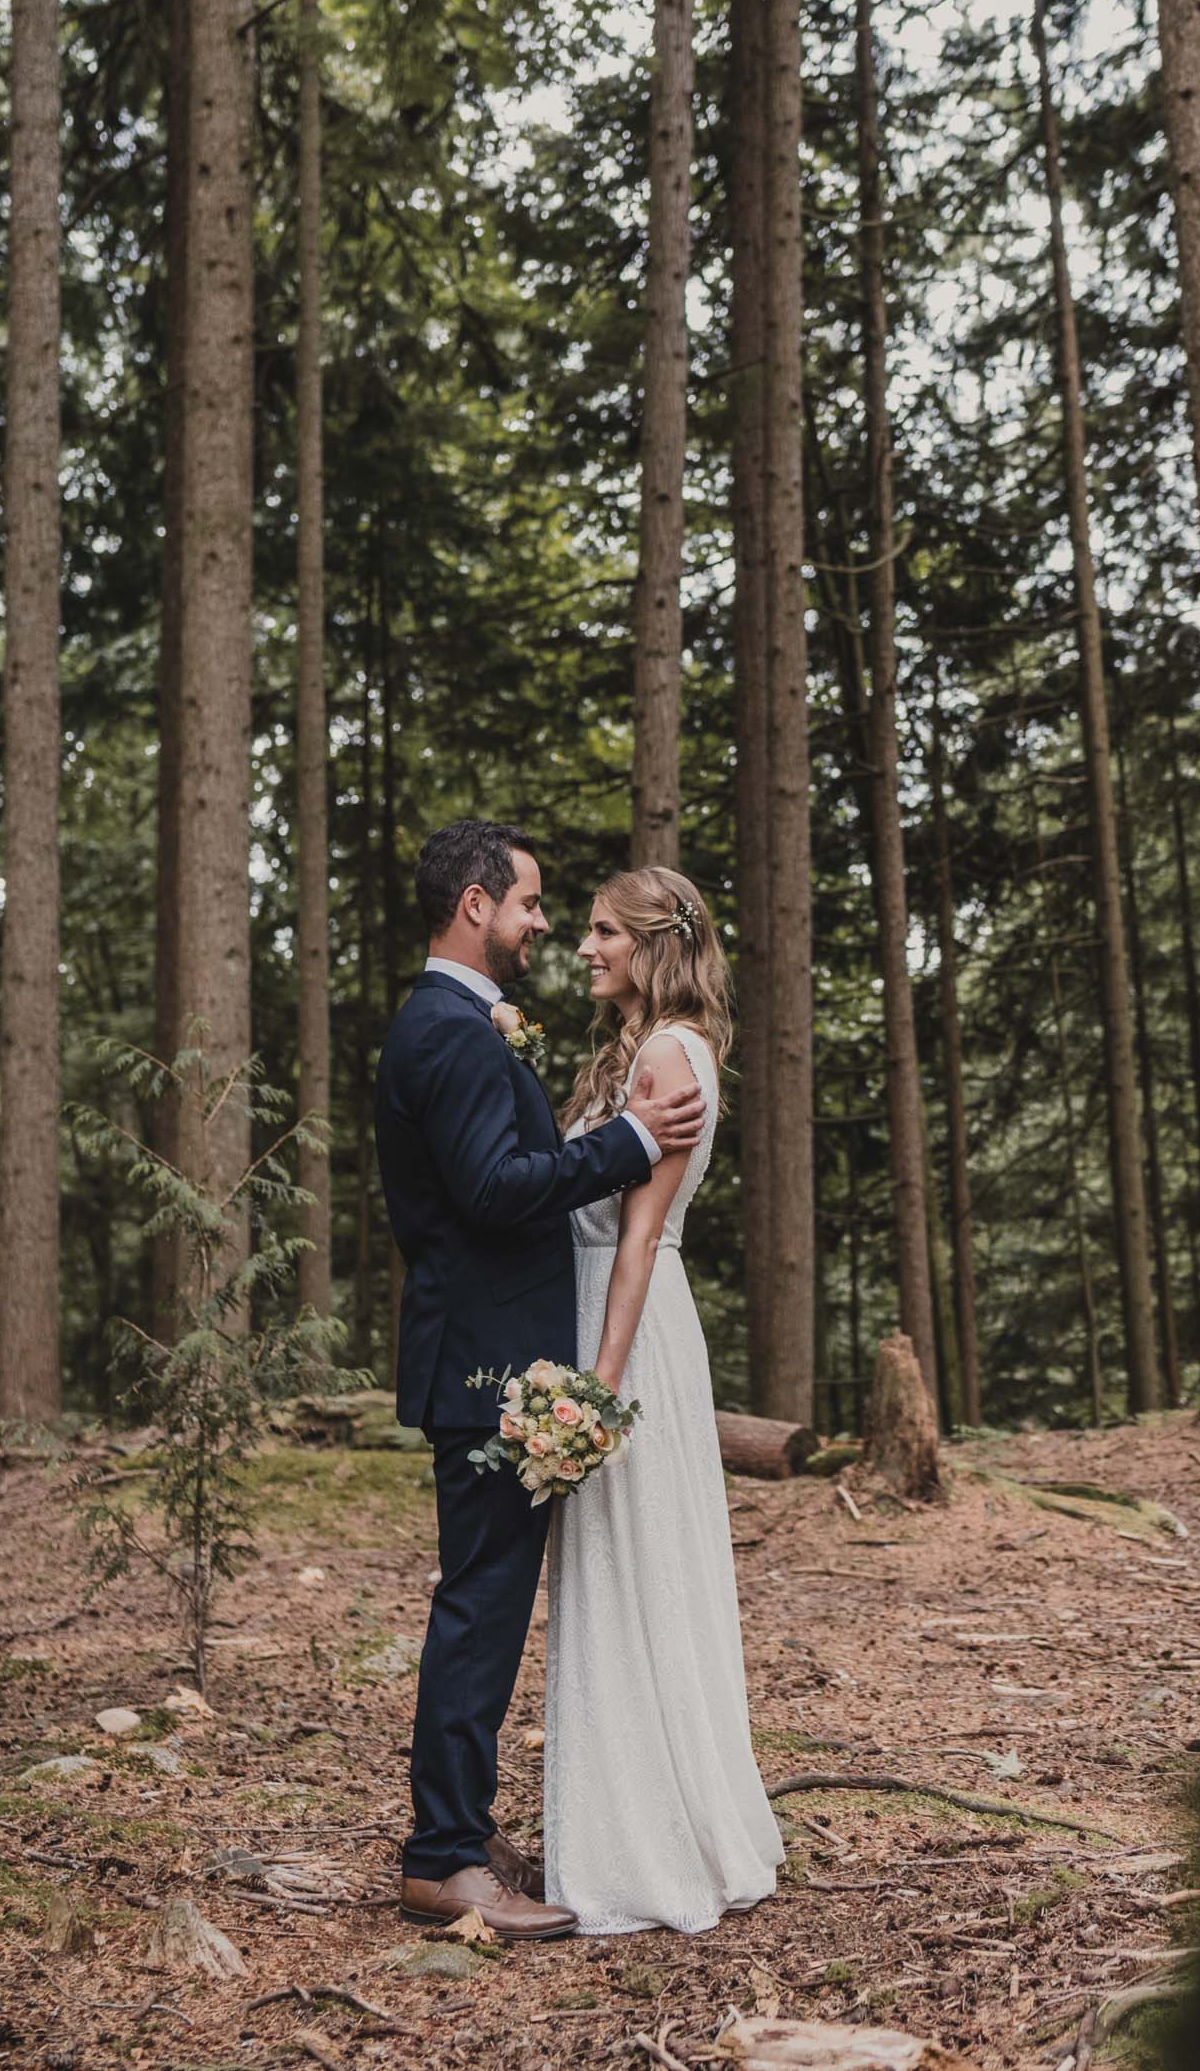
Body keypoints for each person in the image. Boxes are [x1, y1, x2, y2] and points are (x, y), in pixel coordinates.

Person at [375, 820, 708, 1943]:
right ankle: (442, 1859)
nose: (543, 924)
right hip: (485, 1366)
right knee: (478, 1610)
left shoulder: (454, 1026)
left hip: (491, 1356)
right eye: (525, 902)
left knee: (488, 1607)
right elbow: (494, 1188)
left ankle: (461, 1833)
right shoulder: (454, 1034)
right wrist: (624, 1139)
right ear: (475, 905)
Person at [516, 864, 783, 1935]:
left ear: (650, 943)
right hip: (603, 1317)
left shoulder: (670, 1052)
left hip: (624, 1330)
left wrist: (598, 1394)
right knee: (615, 1576)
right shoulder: (644, 1047)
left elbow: (635, 1234)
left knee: (630, 1571)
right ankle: (628, 1824)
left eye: (600, 932)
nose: (583, 947)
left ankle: (646, 1849)